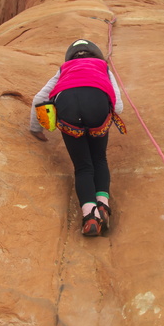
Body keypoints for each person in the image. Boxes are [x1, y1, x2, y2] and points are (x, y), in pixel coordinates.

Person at [30, 39, 124, 236]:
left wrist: (36, 129)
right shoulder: (102, 66)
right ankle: (103, 207)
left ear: (70, 57)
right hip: (98, 107)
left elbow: (40, 99)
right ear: (96, 54)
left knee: (83, 166)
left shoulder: (64, 69)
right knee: (99, 159)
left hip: (68, 110)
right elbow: (118, 106)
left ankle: (90, 216)